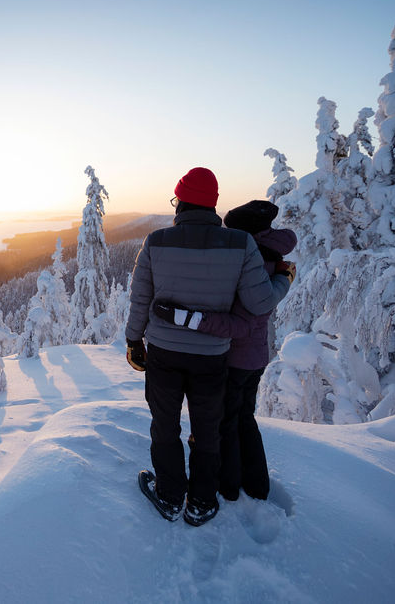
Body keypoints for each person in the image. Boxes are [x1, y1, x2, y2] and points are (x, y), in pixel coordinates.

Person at [125, 168, 293, 526]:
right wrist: (282, 279)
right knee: (207, 428)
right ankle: (201, 501)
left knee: (164, 424)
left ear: (181, 201)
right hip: (212, 356)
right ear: (213, 204)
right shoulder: (240, 244)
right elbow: (260, 303)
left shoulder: (155, 241)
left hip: (165, 354)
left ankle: (170, 496)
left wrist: (133, 339)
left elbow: (140, 298)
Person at [154, 200, 296, 503]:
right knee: (243, 418)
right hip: (255, 357)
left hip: (236, 356)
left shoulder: (249, 260)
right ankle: (257, 484)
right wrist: (284, 278)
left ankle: (228, 486)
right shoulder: (270, 257)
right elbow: (266, 301)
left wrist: (188, 319)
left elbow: (241, 323)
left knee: (225, 424)